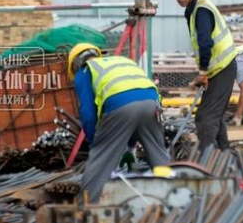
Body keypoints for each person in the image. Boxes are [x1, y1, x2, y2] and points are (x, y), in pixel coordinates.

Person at [68, 43, 170, 203]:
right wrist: (129, 145)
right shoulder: (120, 61)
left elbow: (87, 113)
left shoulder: (85, 70)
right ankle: (176, 197)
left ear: (75, 64)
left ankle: (87, 208)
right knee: (158, 153)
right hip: (152, 102)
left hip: (120, 104)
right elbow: (136, 100)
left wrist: (96, 142)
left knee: (100, 161)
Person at [169, 0, 237, 152]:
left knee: (205, 118)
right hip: (219, 69)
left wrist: (202, 73)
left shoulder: (201, 11)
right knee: (215, 116)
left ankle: (206, 162)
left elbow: (205, 43)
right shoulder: (193, 10)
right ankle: (226, 156)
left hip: (223, 69)